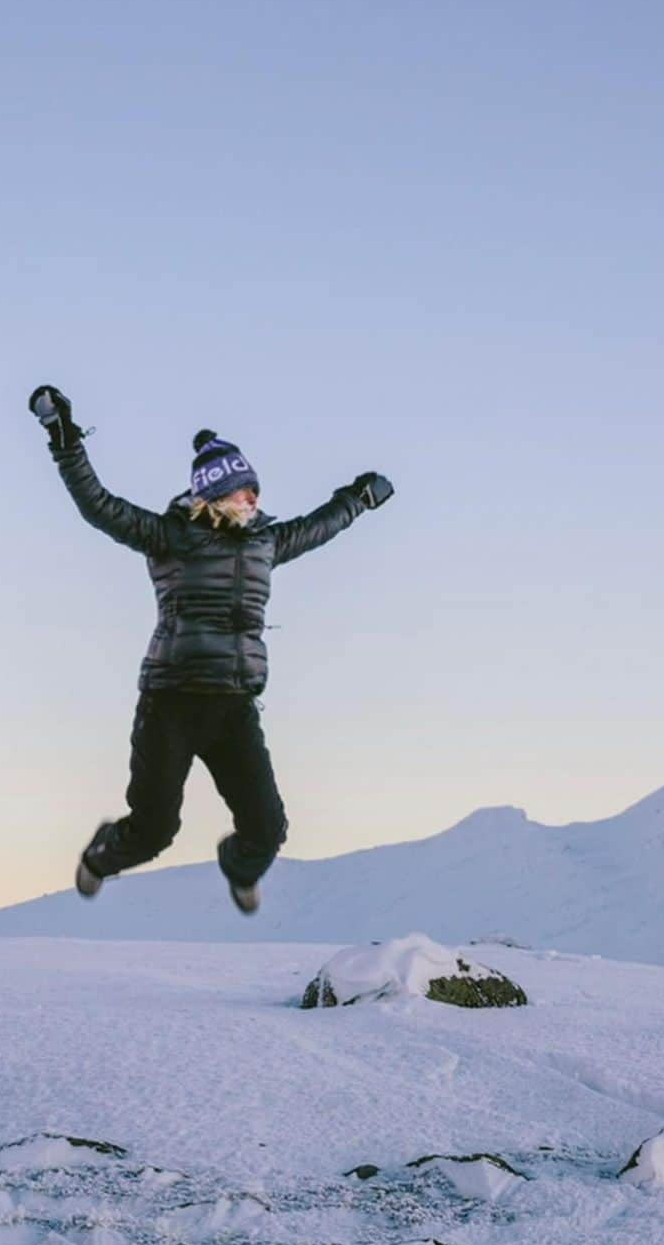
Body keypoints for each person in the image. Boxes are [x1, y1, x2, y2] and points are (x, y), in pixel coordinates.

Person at [29, 384, 393, 914]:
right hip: (171, 701)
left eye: (256, 491)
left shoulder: (266, 541)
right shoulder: (170, 536)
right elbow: (98, 504)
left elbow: (318, 527)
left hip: (233, 705)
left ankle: (238, 865)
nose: (255, 499)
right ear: (216, 493)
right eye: (246, 491)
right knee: (154, 831)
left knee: (267, 829)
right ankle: (100, 857)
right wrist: (64, 438)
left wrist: (357, 500)